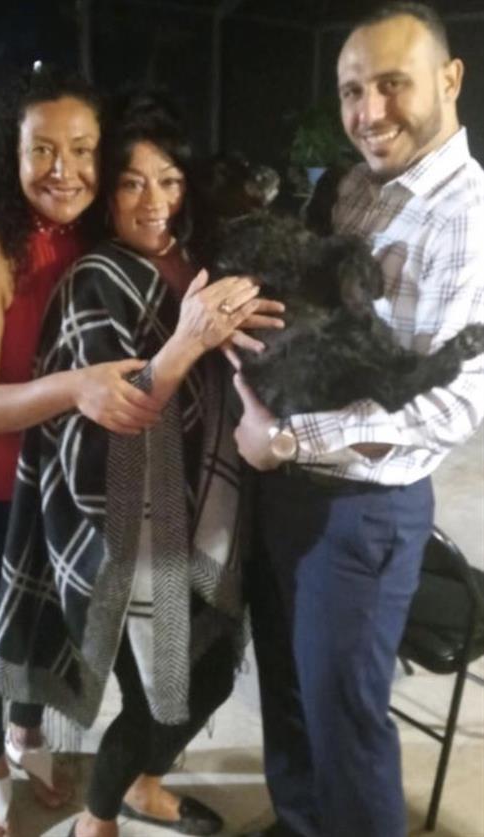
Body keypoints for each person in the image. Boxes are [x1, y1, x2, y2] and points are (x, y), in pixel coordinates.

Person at [0, 91, 284, 837]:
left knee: (207, 673)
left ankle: (144, 783)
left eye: (169, 180)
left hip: (202, 515)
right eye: (131, 182)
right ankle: (99, 815)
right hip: (125, 532)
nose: (153, 201)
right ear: (109, 195)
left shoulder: (200, 265)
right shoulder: (95, 278)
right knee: (163, 691)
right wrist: (187, 342)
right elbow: (109, 428)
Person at [232, 4, 484, 837]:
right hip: (286, 496)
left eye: (390, 84)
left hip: (360, 512)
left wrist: (284, 438)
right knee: (291, 698)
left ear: (450, 79)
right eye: (349, 91)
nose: (367, 112)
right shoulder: (353, 188)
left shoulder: (467, 219)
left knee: (347, 727)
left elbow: (455, 403)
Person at [0, 69, 163, 837]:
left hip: (59, 474)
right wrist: (80, 386)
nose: (62, 169)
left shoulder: (95, 232)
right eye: (43, 149)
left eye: (82, 149)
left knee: (40, 608)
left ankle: (27, 731)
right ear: (12, 152)